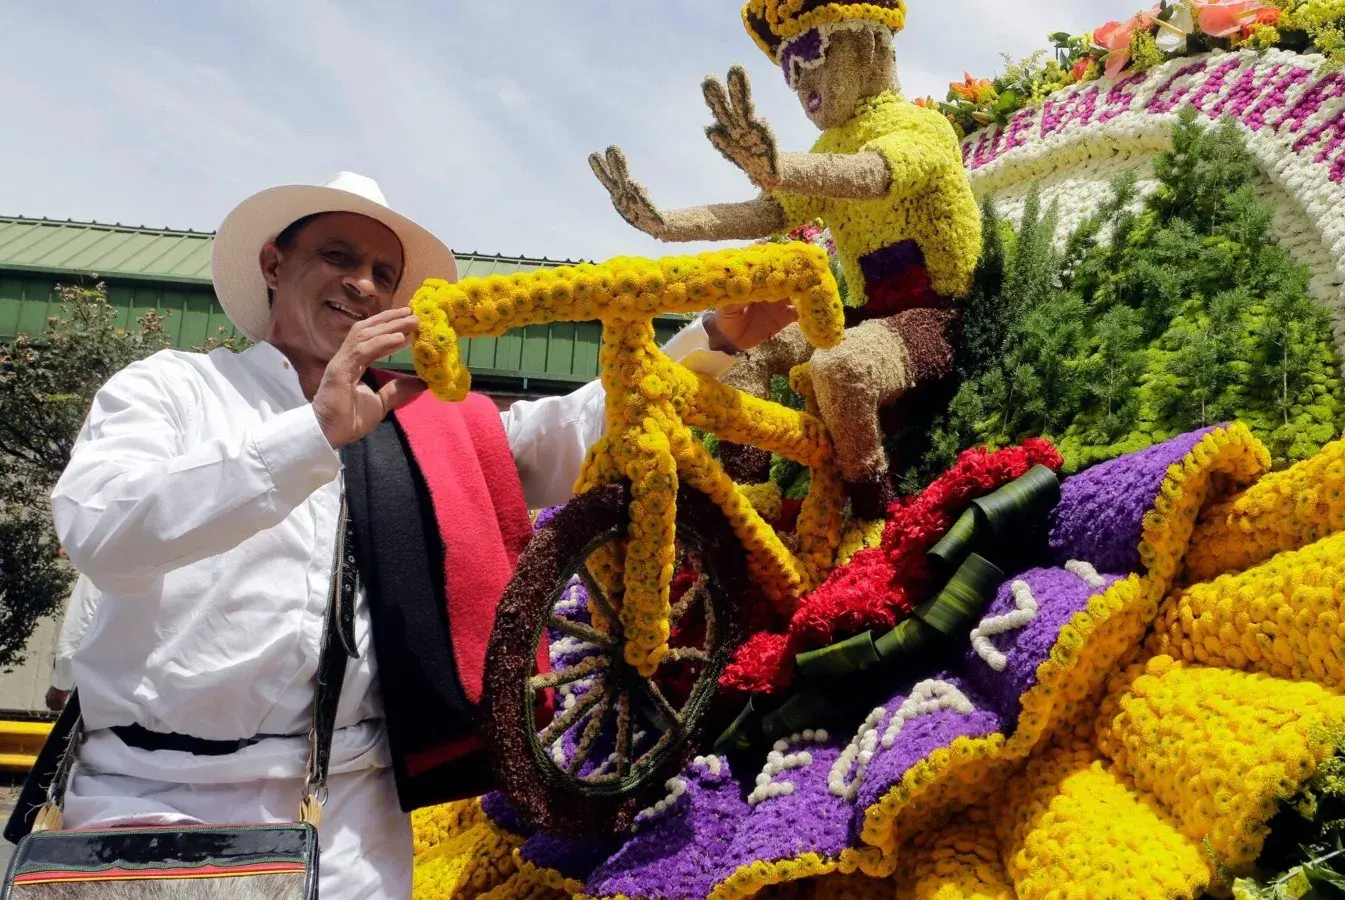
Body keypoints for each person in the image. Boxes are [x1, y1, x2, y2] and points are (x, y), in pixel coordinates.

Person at [48, 171, 795, 898]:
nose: (364, 284)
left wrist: (718, 334)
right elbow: (102, 527)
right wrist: (311, 437)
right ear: (274, 264)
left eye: (383, 272)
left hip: (351, 825)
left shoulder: (415, 421)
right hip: (153, 806)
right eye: (338, 257)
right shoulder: (174, 388)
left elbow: (564, 434)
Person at [589, 0, 980, 516]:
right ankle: (746, 502)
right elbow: (761, 214)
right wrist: (664, 222)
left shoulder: (923, 128)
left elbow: (872, 175)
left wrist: (777, 165)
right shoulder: (824, 151)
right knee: (743, 348)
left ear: (867, 45)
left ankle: (875, 517)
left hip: (933, 316)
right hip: (863, 317)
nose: (802, 82)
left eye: (811, 53)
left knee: (841, 367)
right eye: (789, 67)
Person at [44, 573, 99, 713]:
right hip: (157, 695)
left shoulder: (104, 555)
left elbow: (82, 621)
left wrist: (61, 684)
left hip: (107, 694)